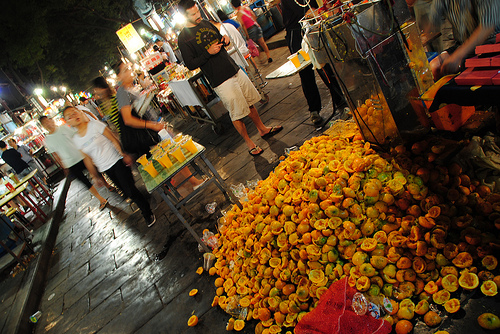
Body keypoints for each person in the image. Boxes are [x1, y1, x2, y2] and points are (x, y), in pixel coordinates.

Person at [177, 0, 282, 156]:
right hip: (220, 79)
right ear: (184, 16)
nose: (198, 15)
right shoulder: (183, 38)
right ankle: (249, 143)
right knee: (237, 112)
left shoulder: (206, 23)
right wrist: (208, 53)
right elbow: (190, 64)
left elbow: (219, 39)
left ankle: (262, 129)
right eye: (193, 14)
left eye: (197, 11)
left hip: (233, 68)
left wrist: (224, 39)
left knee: (250, 102)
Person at [115, 63, 206, 189]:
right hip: (146, 134)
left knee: (172, 152)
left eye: (129, 68)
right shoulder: (122, 92)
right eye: (125, 70)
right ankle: (192, 183)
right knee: (172, 151)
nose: (130, 71)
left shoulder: (131, 87)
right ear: (118, 77)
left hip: (152, 128)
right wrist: (152, 125)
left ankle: (187, 182)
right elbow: (128, 119)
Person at [62, 106, 157, 226]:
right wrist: (95, 176)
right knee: (126, 191)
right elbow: (87, 158)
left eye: (75, 112)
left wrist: (122, 154)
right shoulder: (76, 139)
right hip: (105, 168)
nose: (74, 116)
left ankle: (147, 213)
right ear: (67, 122)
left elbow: (113, 139)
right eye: (69, 116)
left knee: (130, 190)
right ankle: (143, 197)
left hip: (117, 161)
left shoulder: (95, 125)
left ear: (80, 113)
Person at [281, 0, 348, 126]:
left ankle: (340, 100)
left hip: (312, 27)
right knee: (306, 73)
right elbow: (307, 12)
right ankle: (314, 110)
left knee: (325, 66)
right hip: (296, 34)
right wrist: (328, 10)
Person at [39, 116, 111, 210]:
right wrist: (63, 166)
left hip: (81, 155)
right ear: (43, 126)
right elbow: (55, 154)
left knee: (96, 171)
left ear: (51, 120)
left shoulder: (64, 128)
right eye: (44, 123)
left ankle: (108, 185)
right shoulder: (47, 140)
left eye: (48, 121)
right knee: (84, 181)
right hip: (69, 162)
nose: (48, 124)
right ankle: (101, 199)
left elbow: (76, 136)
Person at [428, 0, 500, 80]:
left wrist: (458, 55)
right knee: (434, 66)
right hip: (463, 44)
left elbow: (487, 26)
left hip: (491, 43)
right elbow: (432, 20)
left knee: (458, 68)